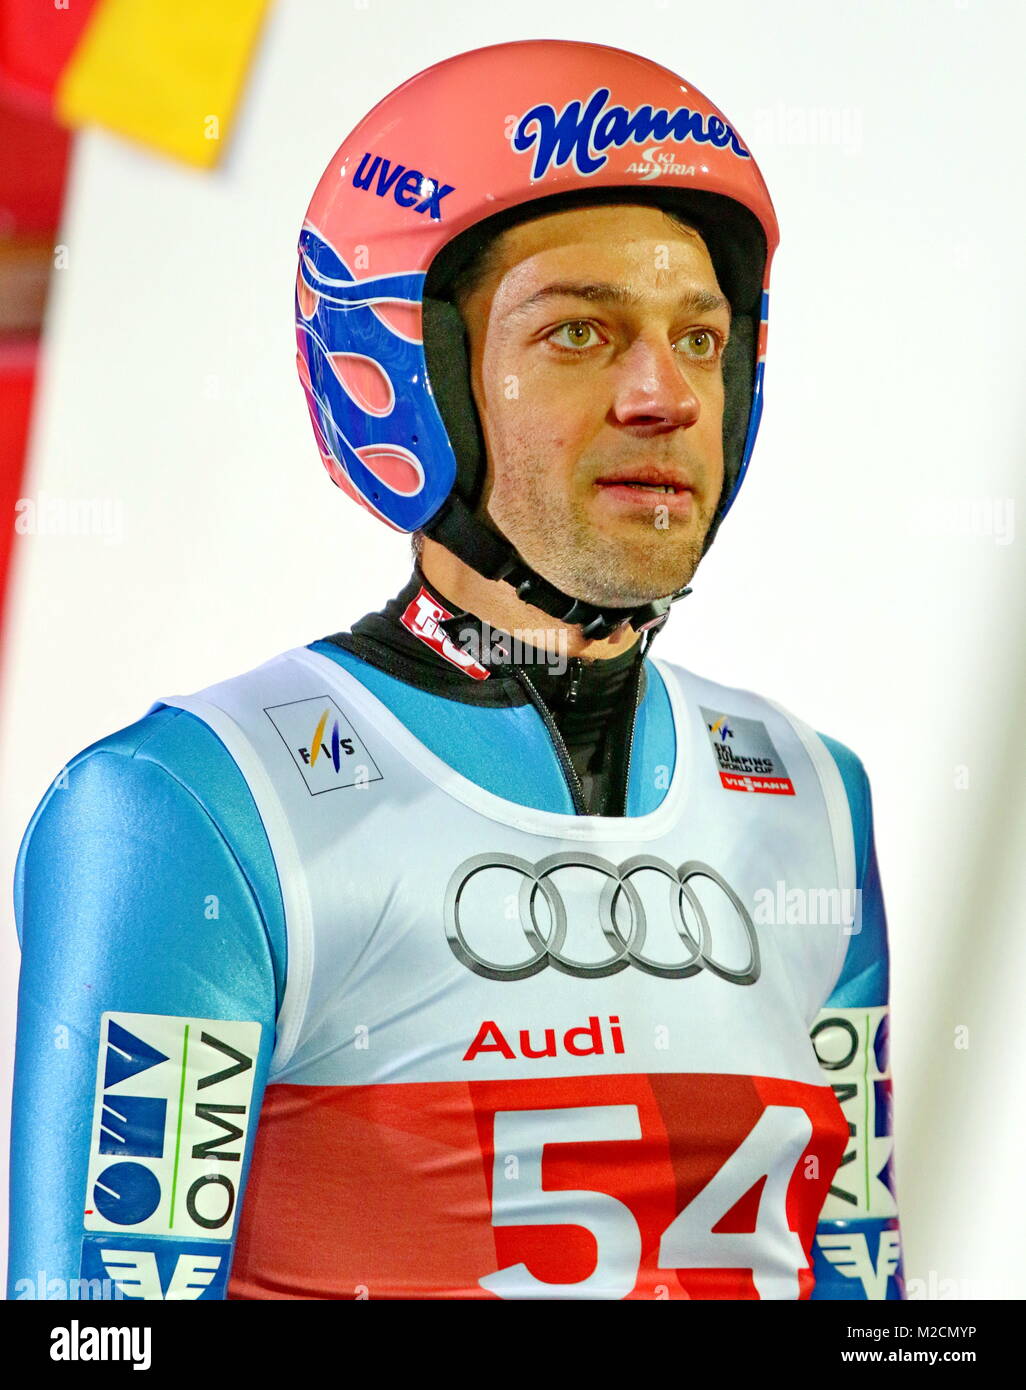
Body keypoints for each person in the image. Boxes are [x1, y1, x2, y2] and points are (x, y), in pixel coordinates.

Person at [8, 39, 903, 1301]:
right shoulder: (191, 808)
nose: (666, 395)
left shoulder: (816, 797)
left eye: (702, 340)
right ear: (407, 383)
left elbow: (862, 1287)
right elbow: (98, 1332)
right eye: (581, 331)